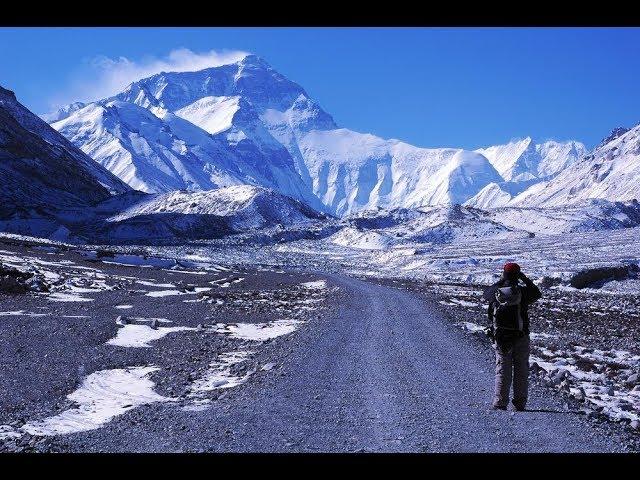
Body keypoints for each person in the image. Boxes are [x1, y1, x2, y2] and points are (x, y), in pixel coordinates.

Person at [483, 262, 541, 411]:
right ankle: (519, 403)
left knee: (503, 370)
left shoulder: (496, 291)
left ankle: (500, 402)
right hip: (521, 336)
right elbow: (537, 293)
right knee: (521, 369)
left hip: (502, 337)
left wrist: (502, 281)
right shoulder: (522, 292)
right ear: (518, 275)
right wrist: (525, 279)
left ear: (504, 274)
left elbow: (486, 294)